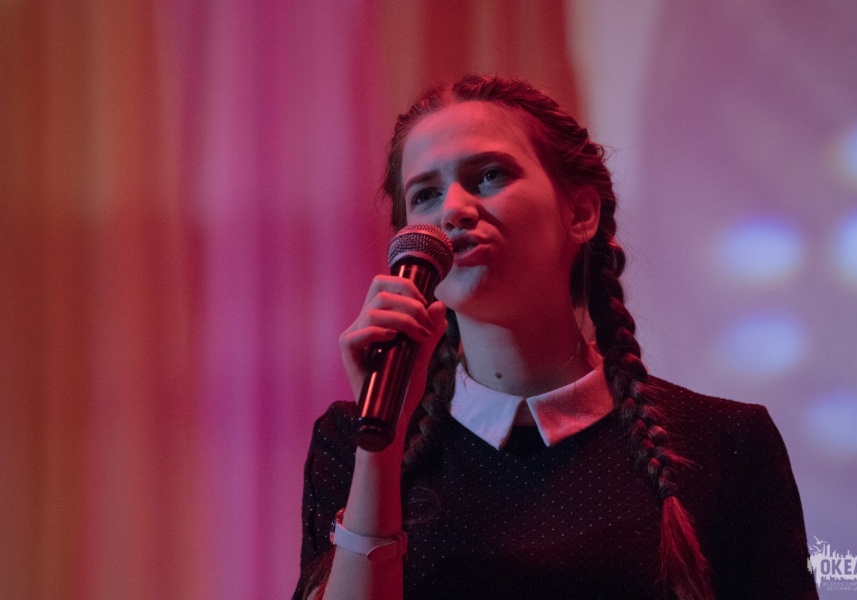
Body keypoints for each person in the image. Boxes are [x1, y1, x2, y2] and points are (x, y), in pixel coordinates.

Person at [293, 75, 817, 600]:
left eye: (489, 175)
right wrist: (380, 445)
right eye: (426, 194)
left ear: (580, 213)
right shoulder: (351, 441)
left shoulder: (724, 442)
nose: (452, 209)